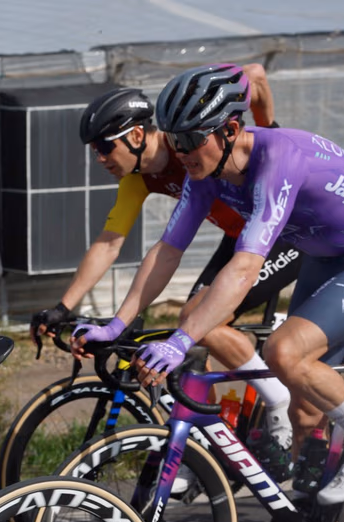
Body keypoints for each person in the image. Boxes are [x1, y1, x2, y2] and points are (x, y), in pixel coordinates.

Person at [73, 64, 344, 509]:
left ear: (229, 129)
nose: (182, 151)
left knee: (284, 353)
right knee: (304, 409)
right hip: (325, 256)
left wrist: (181, 340)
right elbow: (167, 251)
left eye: (191, 139)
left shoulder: (276, 160)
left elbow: (245, 268)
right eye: (174, 139)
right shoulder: (204, 173)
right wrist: (117, 324)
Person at [33, 69, 298, 472]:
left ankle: (278, 401)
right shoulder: (139, 179)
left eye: (105, 147)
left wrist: (265, 136)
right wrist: (62, 307)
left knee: (197, 320)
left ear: (136, 136)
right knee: (192, 334)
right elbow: (109, 243)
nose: (100, 158)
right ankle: (214, 449)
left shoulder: (189, 139)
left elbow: (257, 77)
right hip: (239, 238)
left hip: (282, 232)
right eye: (94, 151)